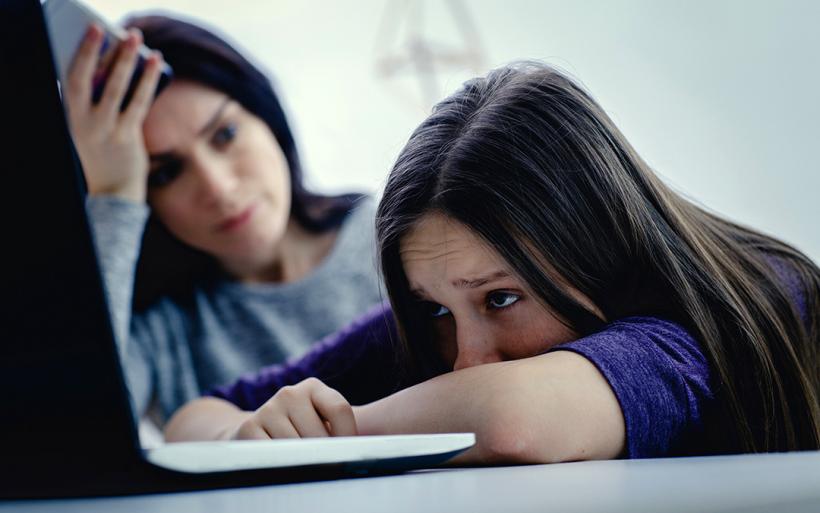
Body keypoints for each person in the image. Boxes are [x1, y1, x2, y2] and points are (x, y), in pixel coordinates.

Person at [163, 62, 819, 464]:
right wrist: (253, 431)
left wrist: (323, 434)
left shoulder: (724, 313)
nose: (465, 358)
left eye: (501, 299)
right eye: (437, 309)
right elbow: (195, 417)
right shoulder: (450, 324)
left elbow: (511, 420)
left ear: (595, 248)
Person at [65, 16, 384, 424]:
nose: (217, 187)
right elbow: (78, 426)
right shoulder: (162, 327)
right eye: (164, 173)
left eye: (225, 134)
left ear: (266, 116)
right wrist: (112, 197)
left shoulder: (403, 239)